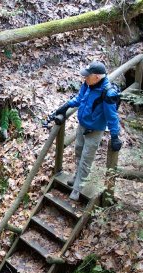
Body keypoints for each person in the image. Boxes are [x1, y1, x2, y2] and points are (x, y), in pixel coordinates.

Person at [55, 61, 122, 201]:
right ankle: (77, 176)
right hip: (82, 125)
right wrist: (66, 105)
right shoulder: (87, 84)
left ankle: (78, 187)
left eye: (87, 76)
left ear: (97, 77)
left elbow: (112, 117)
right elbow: (79, 99)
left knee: (86, 159)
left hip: (95, 130)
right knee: (78, 151)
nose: (84, 78)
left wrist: (115, 136)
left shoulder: (107, 93)